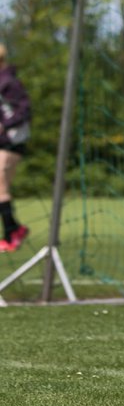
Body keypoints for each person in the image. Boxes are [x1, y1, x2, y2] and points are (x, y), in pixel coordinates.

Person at [0, 43, 32, 253]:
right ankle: (13, 230)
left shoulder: (10, 82)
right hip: (3, 140)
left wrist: (6, 124)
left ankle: (13, 232)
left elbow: (24, 110)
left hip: (12, 140)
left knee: (0, 185)